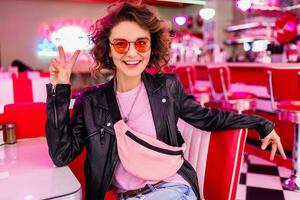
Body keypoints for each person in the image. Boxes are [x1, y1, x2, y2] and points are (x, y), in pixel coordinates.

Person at [46, 2, 286, 200]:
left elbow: (208, 118)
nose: (132, 53)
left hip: (173, 189)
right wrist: (59, 91)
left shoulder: (167, 88)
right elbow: (62, 155)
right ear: (108, 50)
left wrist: (261, 123)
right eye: (121, 44)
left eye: (141, 43)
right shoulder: (90, 102)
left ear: (151, 47)